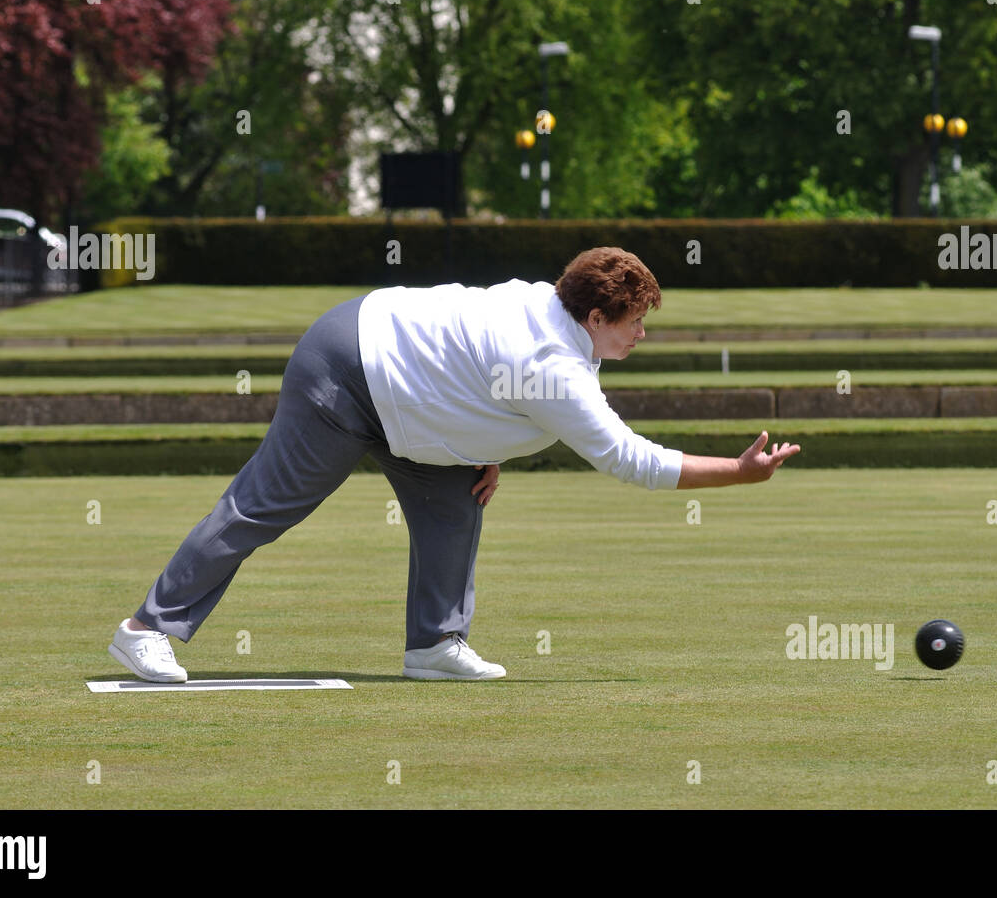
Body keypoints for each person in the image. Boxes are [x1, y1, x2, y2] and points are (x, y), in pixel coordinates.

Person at [108, 247, 800, 682]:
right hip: (346, 371)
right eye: (634, 322)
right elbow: (630, 460)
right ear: (594, 317)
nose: (642, 334)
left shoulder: (549, 309)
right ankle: (146, 630)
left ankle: (434, 646)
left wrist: (485, 447)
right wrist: (741, 472)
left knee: (456, 500)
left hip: (408, 395)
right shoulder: (552, 366)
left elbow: (477, 375)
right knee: (264, 507)